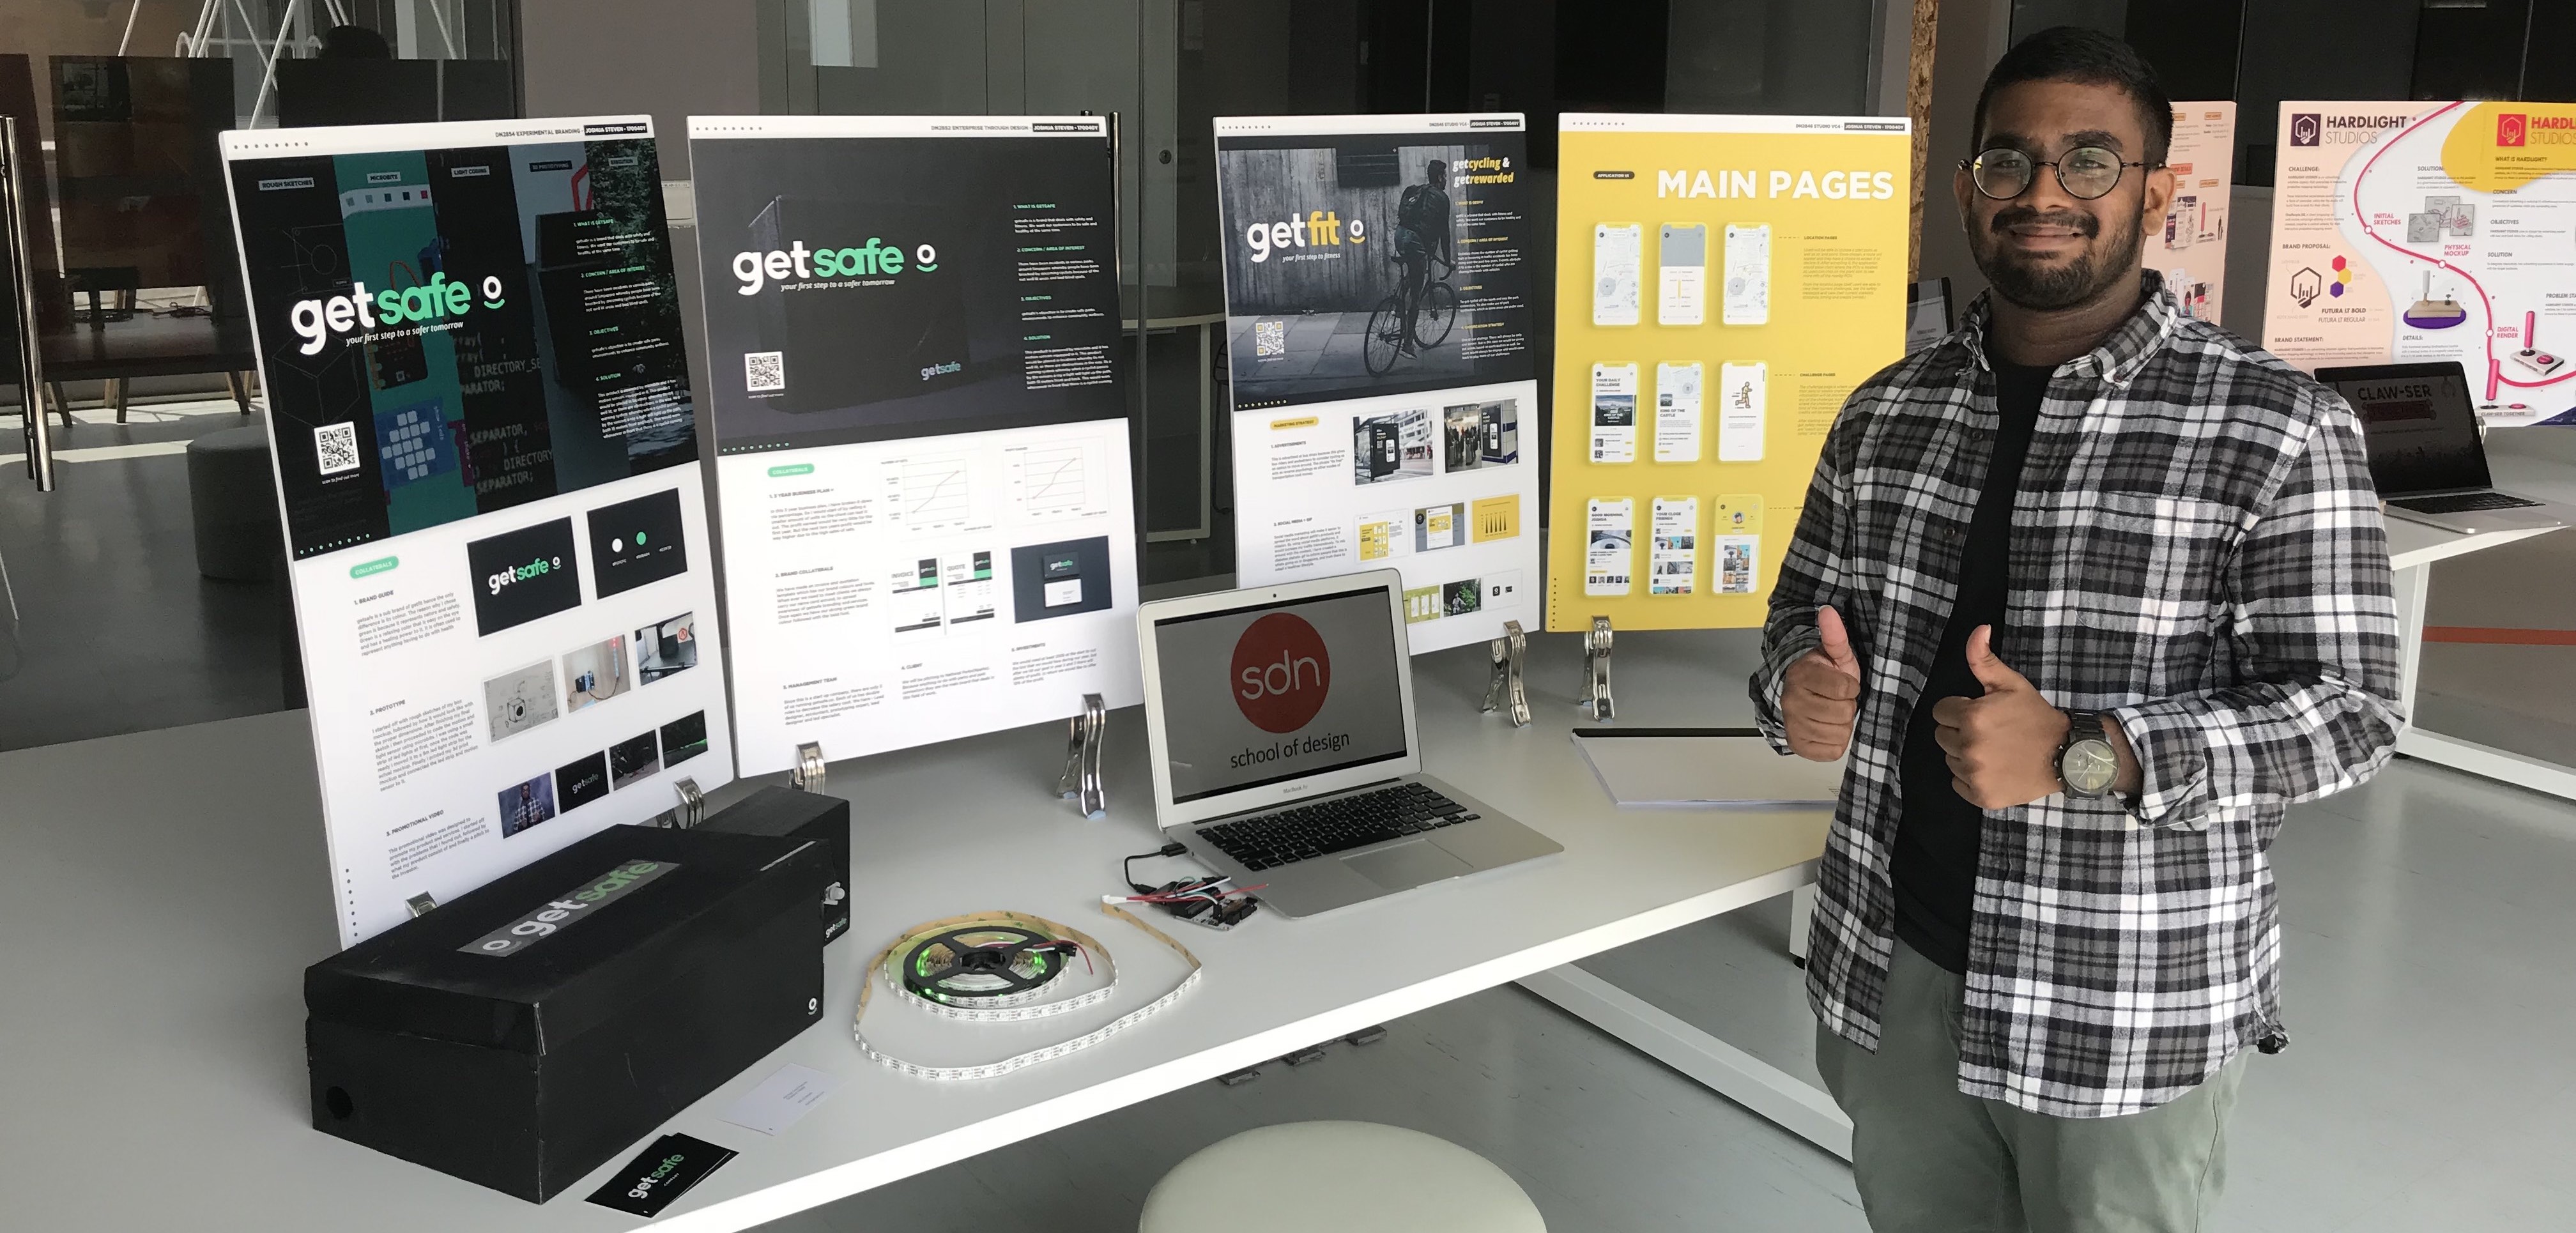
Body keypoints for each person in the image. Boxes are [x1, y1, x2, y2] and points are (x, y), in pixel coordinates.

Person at [1750, 27, 2402, 1232]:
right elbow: (1802, 612)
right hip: (1893, 969)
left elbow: (2350, 714)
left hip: (2117, 1003)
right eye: (2008, 161)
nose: (2042, 192)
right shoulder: (1887, 411)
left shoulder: (2275, 426)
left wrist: (2084, 751)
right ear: (1969, 190)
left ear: (2156, 193)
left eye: (2089, 161)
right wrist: (1798, 681)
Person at [1391, 160, 1453, 355]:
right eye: (1445, 176)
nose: (1446, 179)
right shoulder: (1442, 198)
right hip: (1414, 242)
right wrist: (1448, 261)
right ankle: (1408, 344)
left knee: (1414, 269)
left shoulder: (1419, 191)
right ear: (1440, 177)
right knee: (1417, 295)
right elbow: (1444, 234)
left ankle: (1397, 305)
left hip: (1400, 236)